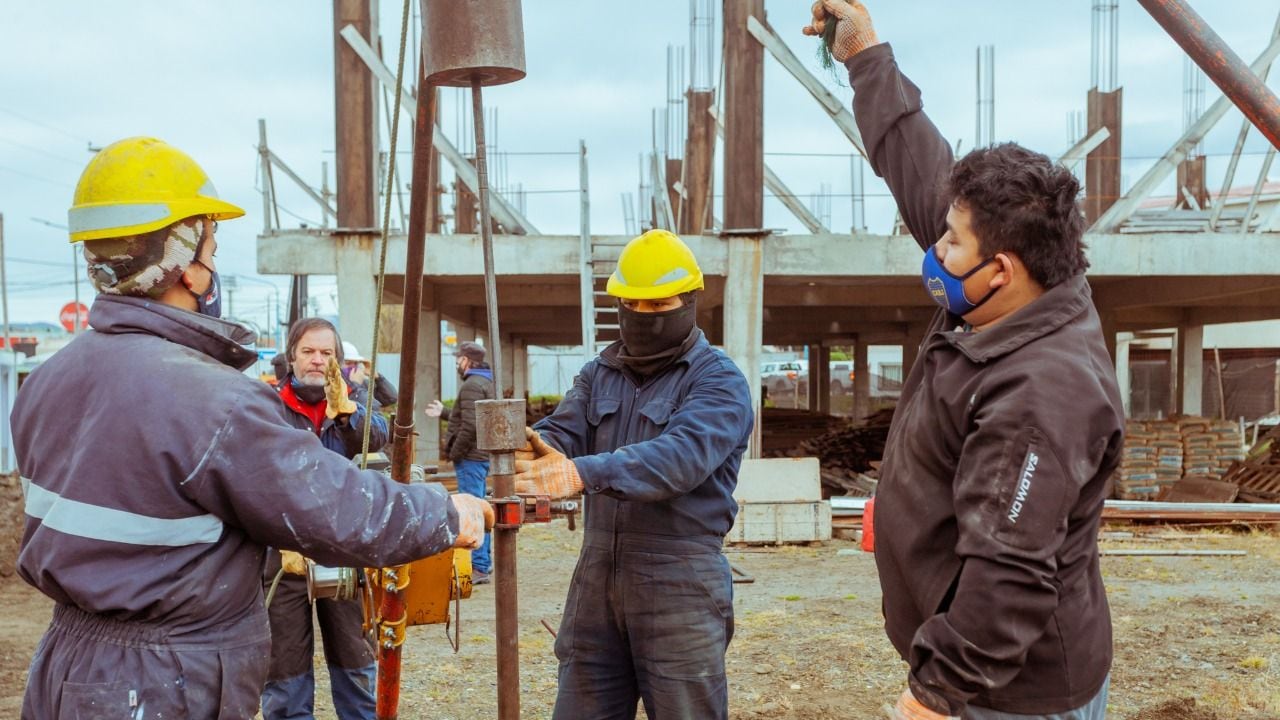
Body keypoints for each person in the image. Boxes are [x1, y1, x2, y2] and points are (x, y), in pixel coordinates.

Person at [12, 136, 493, 719]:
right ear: (185, 266)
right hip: (167, 681)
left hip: (67, 665)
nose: (213, 266)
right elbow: (335, 509)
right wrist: (448, 514)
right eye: (211, 247)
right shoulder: (213, 400)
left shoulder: (46, 381)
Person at [808, 3, 1124, 718]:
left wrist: (933, 697)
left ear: (1001, 269)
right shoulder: (1013, 287)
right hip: (977, 667)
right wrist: (866, 56)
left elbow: (1009, 575)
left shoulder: (1043, 395)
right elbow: (922, 171)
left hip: (1014, 694)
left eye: (951, 244)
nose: (934, 251)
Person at [513, 229, 755, 720]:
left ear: (689, 301)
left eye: (658, 305)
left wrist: (579, 473)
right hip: (596, 579)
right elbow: (562, 433)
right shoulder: (599, 373)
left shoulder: (718, 380)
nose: (643, 317)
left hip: (681, 582)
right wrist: (531, 447)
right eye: (632, 305)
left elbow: (679, 458)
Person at [261, 319, 390, 719]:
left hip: (344, 549)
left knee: (355, 660)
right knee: (284, 669)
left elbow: (379, 434)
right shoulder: (266, 405)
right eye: (308, 352)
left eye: (326, 353)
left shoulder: (352, 401)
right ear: (292, 356)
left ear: (338, 360)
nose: (317, 360)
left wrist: (347, 413)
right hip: (281, 555)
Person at [441, 340, 496, 585]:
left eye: (459, 358)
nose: (456, 362)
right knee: (481, 510)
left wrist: (455, 453)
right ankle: (483, 563)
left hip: (470, 458)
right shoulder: (484, 382)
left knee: (473, 512)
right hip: (480, 456)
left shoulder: (472, 385)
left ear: (467, 361)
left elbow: (470, 425)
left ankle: (479, 566)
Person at [342, 340, 399, 408]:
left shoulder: (364, 384)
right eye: (348, 363)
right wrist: (355, 386)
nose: (353, 367)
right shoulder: (333, 387)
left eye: (356, 363)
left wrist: (378, 377)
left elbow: (391, 398)